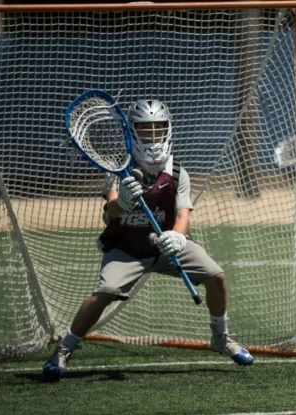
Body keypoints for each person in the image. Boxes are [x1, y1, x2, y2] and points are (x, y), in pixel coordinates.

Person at [43, 99, 254, 378]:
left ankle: (220, 337)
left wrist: (177, 239)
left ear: (168, 129)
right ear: (132, 130)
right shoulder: (118, 169)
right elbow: (111, 210)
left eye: (158, 128)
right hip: (127, 248)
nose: (152, 135)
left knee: (216, 278)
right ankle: (64, 349)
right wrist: (125, 202)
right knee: (104, 293)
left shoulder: (177, 172)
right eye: (145, 129)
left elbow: (182, 215)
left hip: (168, 244)